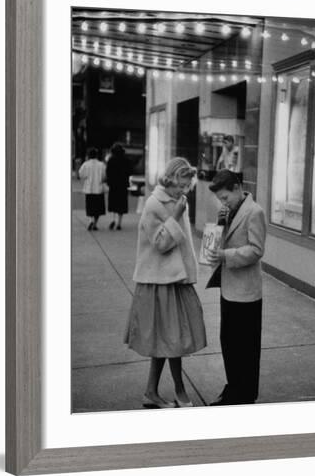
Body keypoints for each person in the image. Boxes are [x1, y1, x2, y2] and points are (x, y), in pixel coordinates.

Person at [124, 157, 207, 409]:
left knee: (168, 339)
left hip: (175, 280)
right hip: (158, 282)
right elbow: (160, 244)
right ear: (170, 178)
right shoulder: (154, 204)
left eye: (187, 185)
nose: (184, 190)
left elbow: (183, 245)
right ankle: (179, 391)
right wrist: (176, 216)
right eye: (181, 184)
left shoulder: (177, 201)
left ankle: (151, 392)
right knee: (172, 339)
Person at [205, 169, 266, 405]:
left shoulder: (254, 212)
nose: (223, 202)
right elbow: (221, 241)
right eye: (220, 199)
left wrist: (226, 255)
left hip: (247, 292)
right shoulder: (229, 212)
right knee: (228, 342)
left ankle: (246, 394)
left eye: (225, 197)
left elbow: (257, 249)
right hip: (229, 289)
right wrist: (221, 222)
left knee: (246, 348)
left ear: (238, 188)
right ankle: (232, 387)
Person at [78, 147, 106, 231]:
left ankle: (90, 220)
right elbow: (104, 176)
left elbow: (81, 174)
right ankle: (95, 223)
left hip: (89, 189)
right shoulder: (101, 165)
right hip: (98, 189)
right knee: (98, 208)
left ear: (88, 155)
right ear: (96, 155)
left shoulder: (86, 164)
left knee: (89, 206)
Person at [106, 143, 131, 230]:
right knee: (121, 204)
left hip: (113, 185)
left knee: (113, 203)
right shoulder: (126, 160)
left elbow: (108, 172)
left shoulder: (111, 160)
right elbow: (129, 171)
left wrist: (108, 182)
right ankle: (119, 222)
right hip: (123, 185)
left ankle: (113, 219)